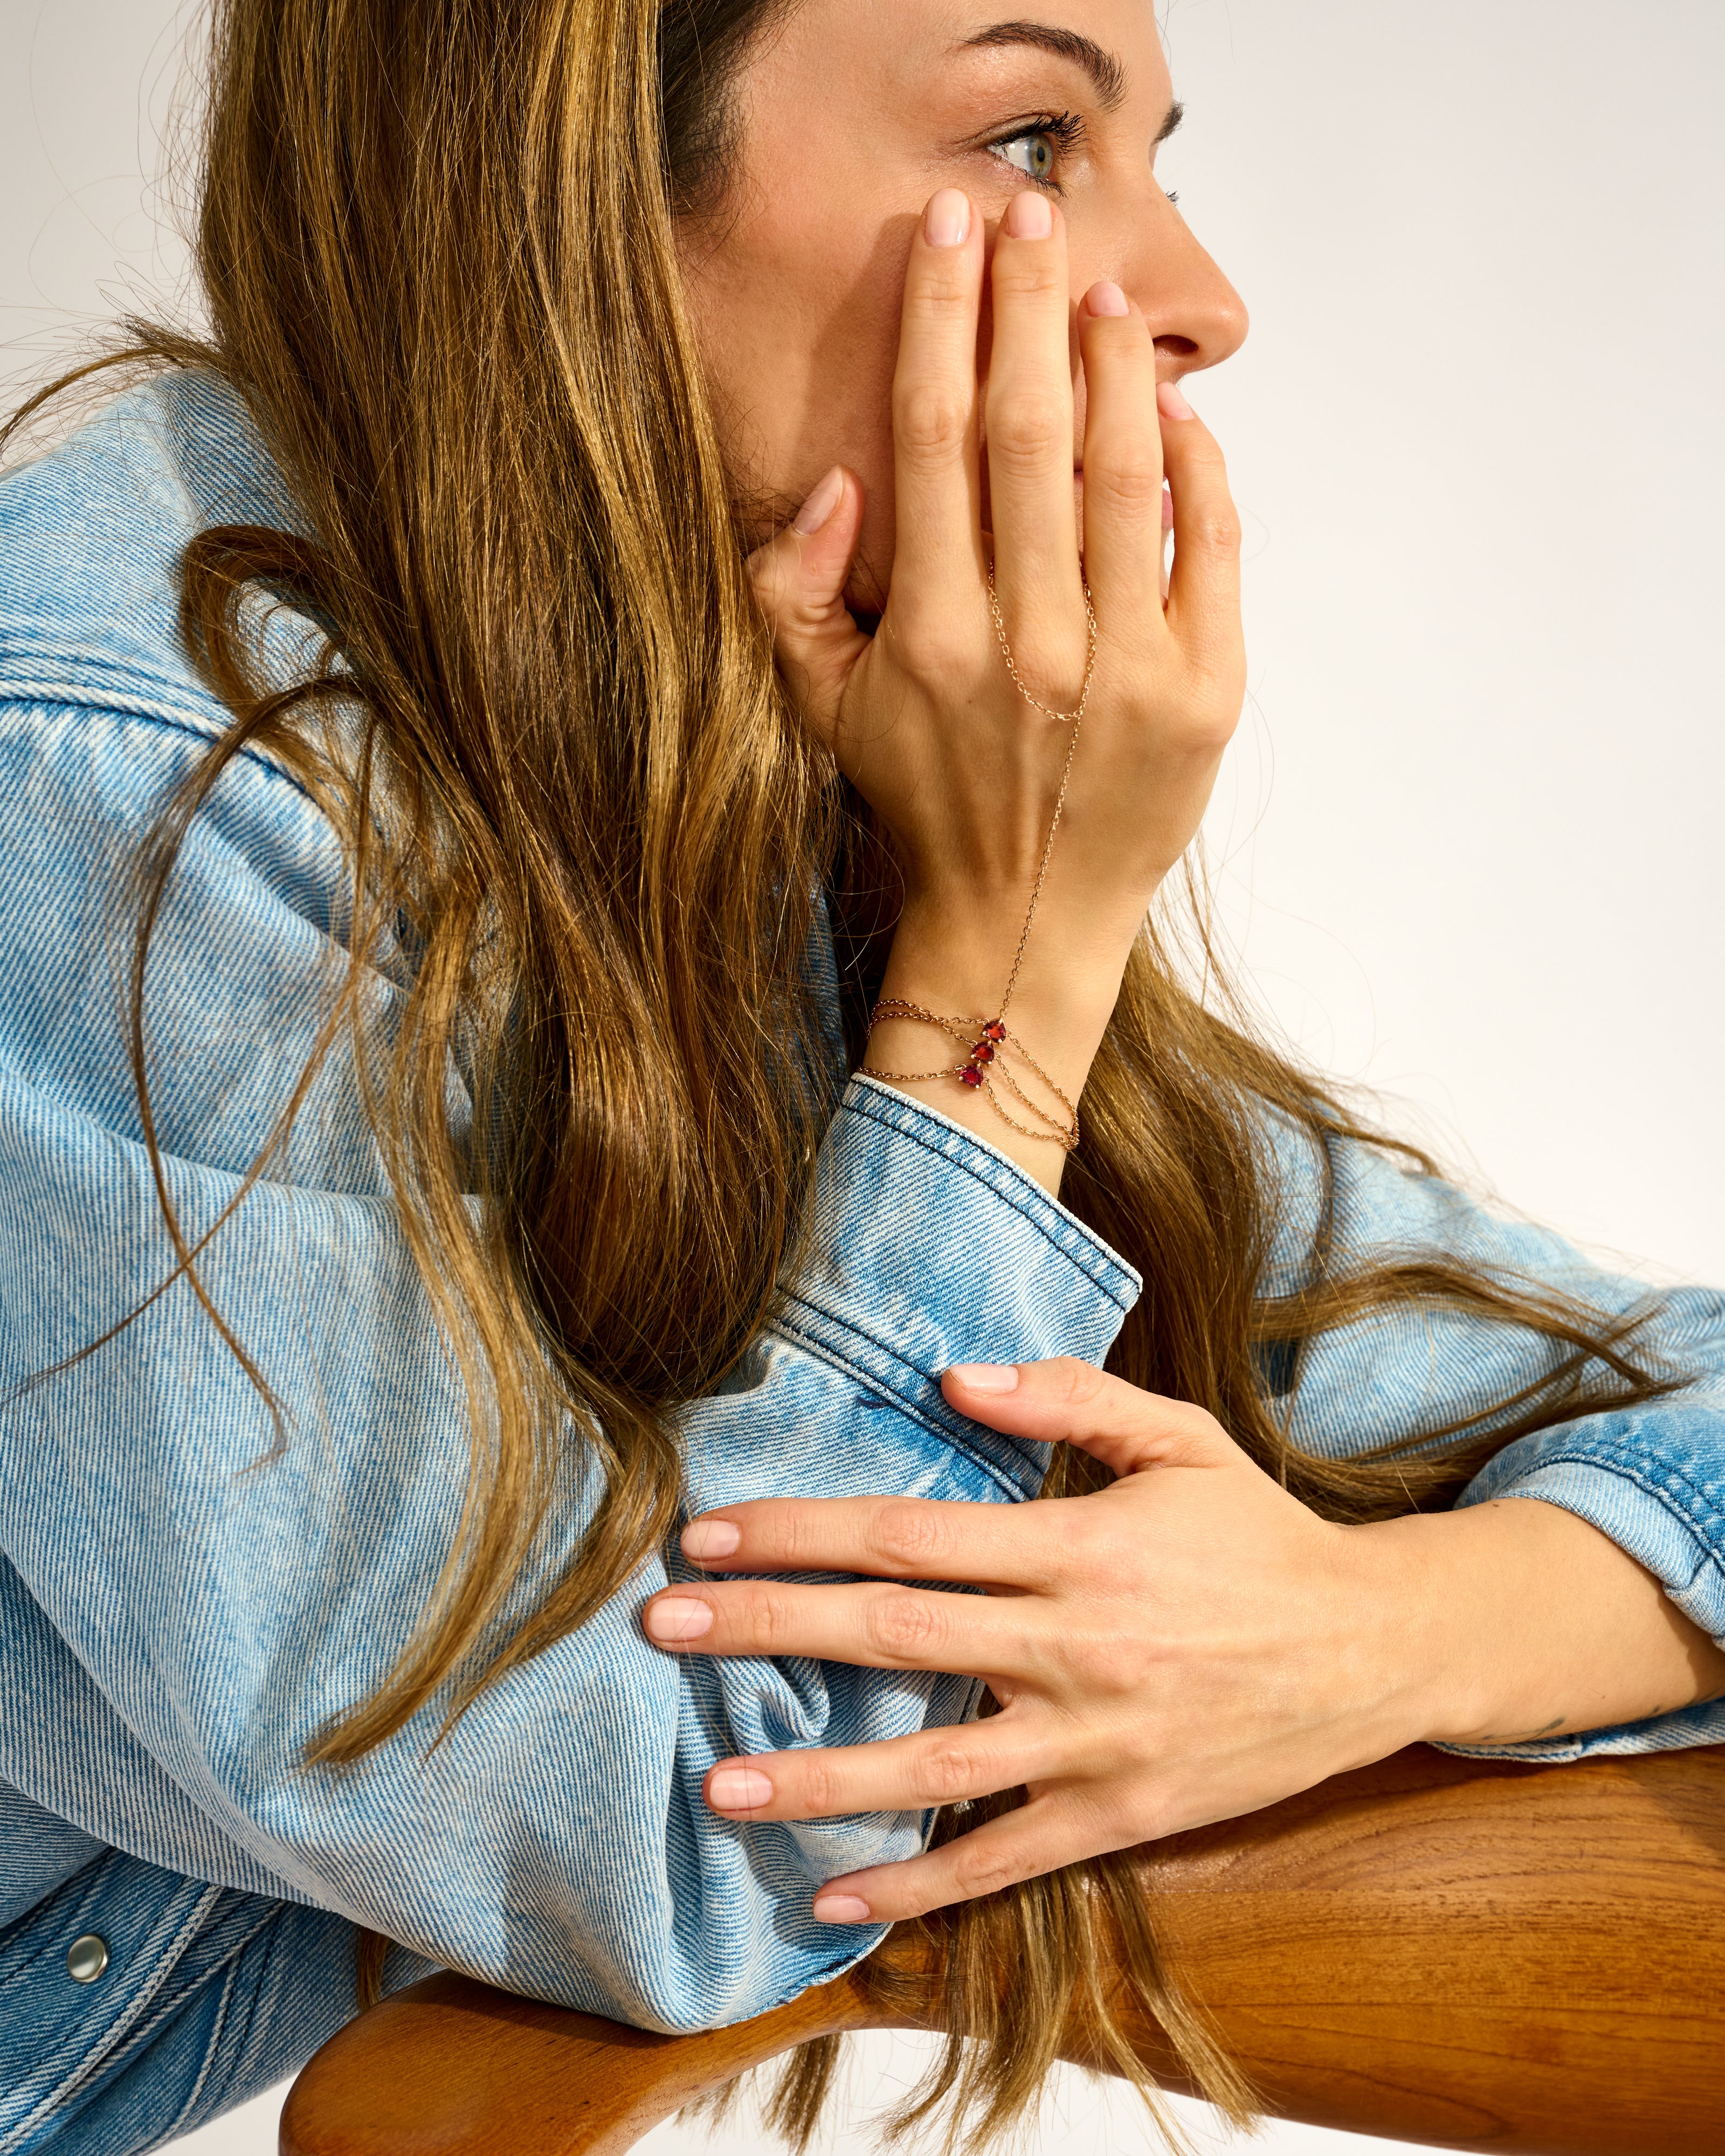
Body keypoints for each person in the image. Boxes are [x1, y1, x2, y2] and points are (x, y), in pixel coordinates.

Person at [1, 0, 1721, 2148]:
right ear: (578, 199)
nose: (1197, 305)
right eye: (1027, 137)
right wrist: (1009, 975)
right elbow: (677, 1836)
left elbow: (1661, 1379)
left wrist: (1400, 1629)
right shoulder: (115, 786)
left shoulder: (724, 751)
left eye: (1153, 161)